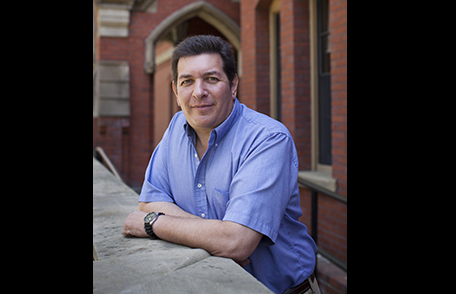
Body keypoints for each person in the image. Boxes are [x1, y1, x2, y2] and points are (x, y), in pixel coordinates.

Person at [123, 36, 320, 294]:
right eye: (187, 81)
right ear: (175, 91)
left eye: (211, 79)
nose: (198, 92)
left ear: (233, 84)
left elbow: (237, 243)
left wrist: (152, 223)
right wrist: (216, 238)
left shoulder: (268, 139)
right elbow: (148, 201)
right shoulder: (174, 130)